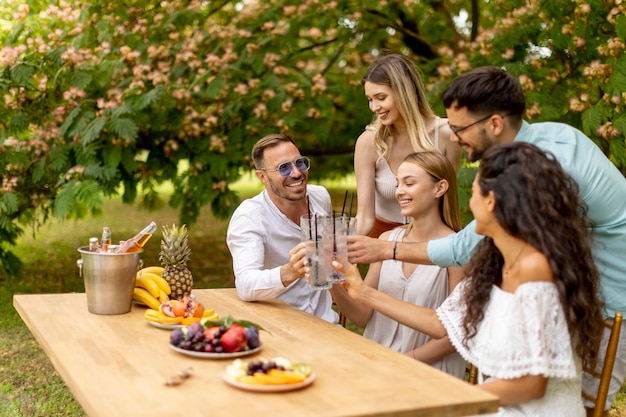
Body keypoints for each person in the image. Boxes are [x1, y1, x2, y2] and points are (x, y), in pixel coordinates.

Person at [347, 66, 626, 415]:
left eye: (460, 128)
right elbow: (447, 323)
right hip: (576, 289)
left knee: (581, 401)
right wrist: (363, 291)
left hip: (614, 293)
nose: (454, 137)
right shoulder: (526, 172)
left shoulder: (540, 203)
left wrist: (386, 249)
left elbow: (465, 245)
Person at [336, 142, 605, 416]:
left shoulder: (536, 268)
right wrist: (360, 290)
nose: (469, 202)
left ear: (492, 202)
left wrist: (447, 399)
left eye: (474, 192)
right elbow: (443, 324)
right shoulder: (495, 261)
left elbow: (531, 385)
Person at [332, 151, 466, 378]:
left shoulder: (457, 251)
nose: (399, 192)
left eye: (409, 183)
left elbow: (456, 333)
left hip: (429, 374)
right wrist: (330, 280)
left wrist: (402, 362)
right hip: (376, 365)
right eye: (397, 184)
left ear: (439, 188)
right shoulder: (385, 241)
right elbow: (362, 316)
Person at [226, 133, 338, 324]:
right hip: (281, 328)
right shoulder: (250, 216)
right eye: (283, 168)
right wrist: (289, 271)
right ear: (262, 176)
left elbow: (328, 270)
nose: (296, 173)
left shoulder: (320, 197)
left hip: (328, 323)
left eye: (300, 163)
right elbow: (246, 285)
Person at [354, 53, 461, 238]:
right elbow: (364, 218)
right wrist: (337, 251)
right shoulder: (369, 142)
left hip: (431, 238)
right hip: (382, 238)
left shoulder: (446, 135)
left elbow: (448, 206)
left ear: (404, 93)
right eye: (370, 99)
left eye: (381, 97)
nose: (374, 107)